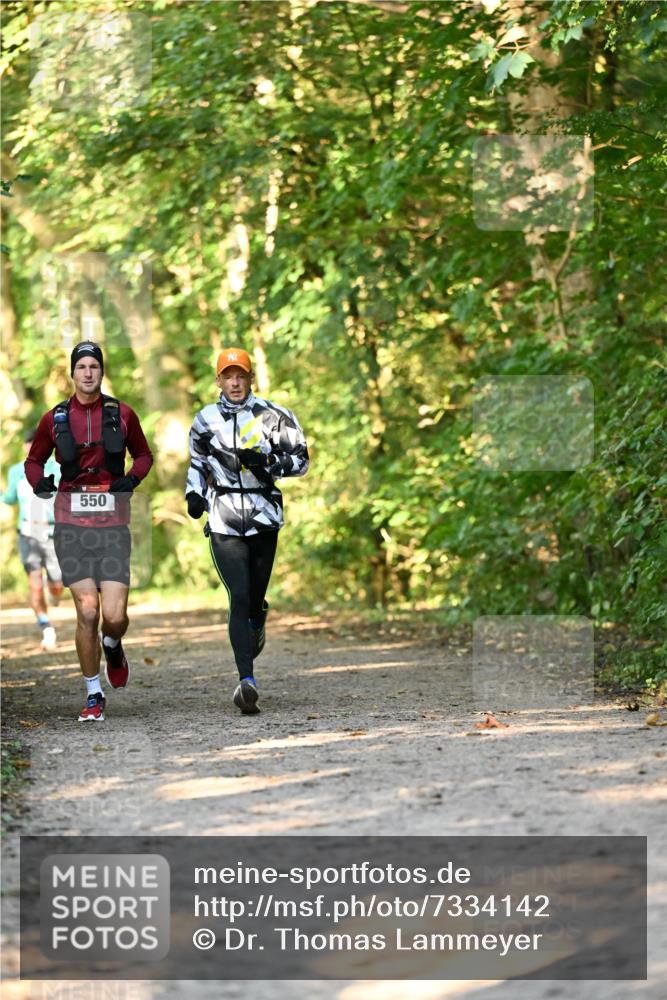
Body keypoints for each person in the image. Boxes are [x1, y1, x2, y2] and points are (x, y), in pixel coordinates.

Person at [25, 341, 153, 722]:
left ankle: (112, 644)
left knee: (114, 616)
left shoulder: (122, 414)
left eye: (93, 366)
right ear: (73, 373)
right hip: (71, 526)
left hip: (112, 527)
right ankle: (94, 694)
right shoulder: (54, 419)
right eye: (81, 366)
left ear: (101, 372)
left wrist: (132, 479)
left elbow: (144, 455)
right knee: (87, 610)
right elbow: (34, 460)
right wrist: (39, 482)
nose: (87, 372)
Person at [185, 347, 308, 714]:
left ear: (251, 378)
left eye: (241, 376)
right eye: (228, 376)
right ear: (218, 381)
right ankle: (246, 682)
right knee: (238, 595)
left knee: (253, 599)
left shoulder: (274, 415)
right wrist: (194, 494)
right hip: (223, 517)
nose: (235, 383)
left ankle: (258, 618)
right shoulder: (205, 420)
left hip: (264, 515)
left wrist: (268, 461)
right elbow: (197, 463)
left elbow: (302, 461)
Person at [1, 429, 63, 650]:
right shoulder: (16, 471)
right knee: (35, 583)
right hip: (27, 533)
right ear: (24, 446)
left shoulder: (58, 469)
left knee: (57, 584)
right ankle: (47, 629)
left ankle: (53, 590)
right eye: (29, 443)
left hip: (54, 533)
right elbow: (10, 498)